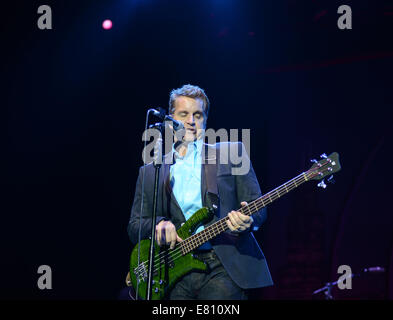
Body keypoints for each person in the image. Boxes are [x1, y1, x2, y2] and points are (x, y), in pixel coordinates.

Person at [127, 84, 273, 300]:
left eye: (198, 115)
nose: (191, 121)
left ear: (205, 118)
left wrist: (249, 221)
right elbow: (135, 226)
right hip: (172, 270)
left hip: (222, 264)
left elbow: (258, 208)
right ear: (170, 118)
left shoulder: (232, 153)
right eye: (183, 114)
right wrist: (159, 224)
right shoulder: (150, 171)